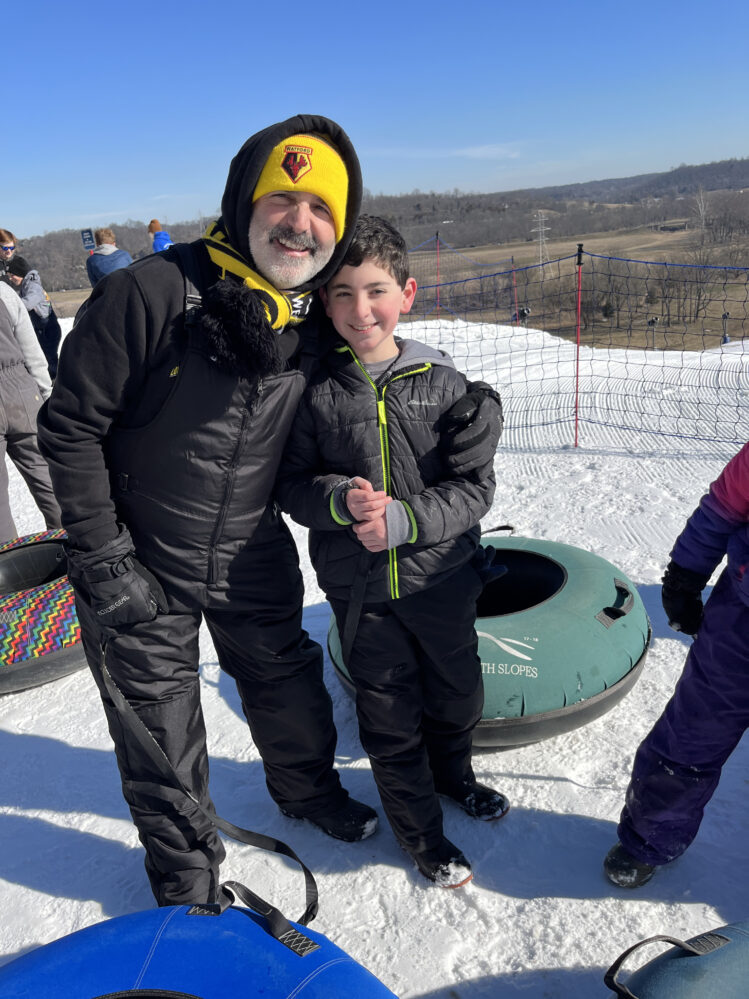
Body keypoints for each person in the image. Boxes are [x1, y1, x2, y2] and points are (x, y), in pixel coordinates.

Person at [37, 115, 501, 907]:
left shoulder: (310, 318)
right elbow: (70, 427)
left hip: (249, 546)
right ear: (242, 202)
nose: (299, 221)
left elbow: (380, 371)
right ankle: (187, 886)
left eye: (321, 207)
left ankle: (308, 792)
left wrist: (476, 404)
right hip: (138, 552)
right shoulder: (153, 292)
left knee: (288, 687)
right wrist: (103, 554)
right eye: (281, 199)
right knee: (160, 730)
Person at [276, 215, 509, 888]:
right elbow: (291, 485)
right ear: (324, 303)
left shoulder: (443, 382)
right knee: (388, 718)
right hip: (361, 592)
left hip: (442, 578)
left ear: (405, 293)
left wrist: (407, 520)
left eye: (375, 290)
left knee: (458, 693)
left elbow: (474, 488)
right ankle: (421, 837)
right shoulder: (313, 391)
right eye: (343, 294)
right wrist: (337, 501)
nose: (361, 310)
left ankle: (453, 775)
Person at [604, 441, 749, 887]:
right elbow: (723, 508)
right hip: (739, 624)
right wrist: (685, 575)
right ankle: (649, 838)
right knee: (692, 733)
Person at [0, 281, 62, 541]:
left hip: (17, 386)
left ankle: (7, 562)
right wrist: (46, 396)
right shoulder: (4, 292)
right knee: (50, 481)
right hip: (22, 391)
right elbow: (32, 351)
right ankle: (73, 546)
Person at [6, 255, 62, 379]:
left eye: (12, 275)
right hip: (41, 329)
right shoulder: (26, 286)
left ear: (20, 273)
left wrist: (10, 306)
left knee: (48, 359)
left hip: (48, 330)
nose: (10, 278)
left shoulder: (33, 287)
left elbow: (28, 303)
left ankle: (54, 381)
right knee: (43, 357)